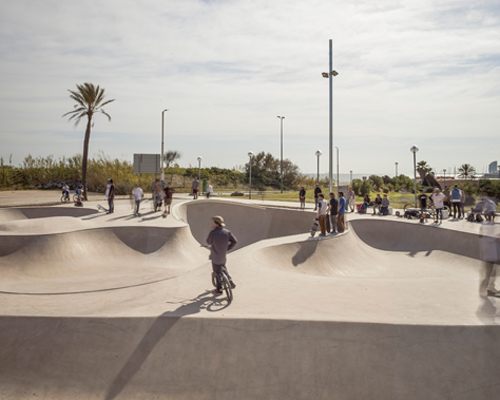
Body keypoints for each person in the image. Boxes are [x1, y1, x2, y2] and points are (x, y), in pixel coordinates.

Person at [206, 215, 237, 294]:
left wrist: (212, 232)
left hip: (215, 256)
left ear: (216, 223)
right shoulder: (227, 232)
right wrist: (228, 248)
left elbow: (208, 242)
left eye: (213, 222)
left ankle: (219, 289)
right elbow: (234, 241)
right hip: (223, 256)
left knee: (216, 271)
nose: (212, 223)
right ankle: (229, 279)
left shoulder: (213, 232)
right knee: (223, 267)